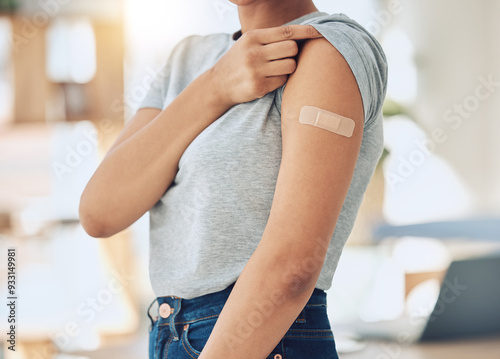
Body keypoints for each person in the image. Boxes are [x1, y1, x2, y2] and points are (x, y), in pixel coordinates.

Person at [79, 0, 387, 358]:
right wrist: (214, 87)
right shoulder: (189, 59)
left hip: (261, 341)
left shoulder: (326, 49)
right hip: (169, 334)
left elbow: (292, 269)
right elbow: (100, 212)